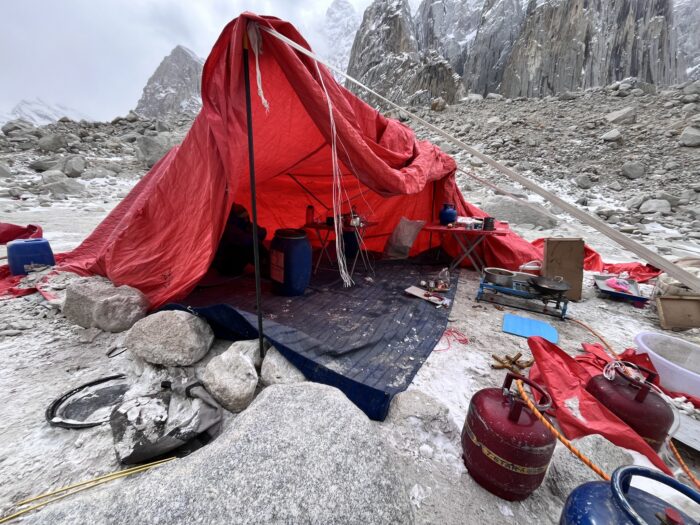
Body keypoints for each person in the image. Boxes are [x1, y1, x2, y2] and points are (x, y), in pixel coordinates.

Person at [211, 203, 267, 276]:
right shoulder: (228, 227)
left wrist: (250, 229)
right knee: (250, 246)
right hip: (225, 265)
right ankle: (265, 265)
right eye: (243, 217)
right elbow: (244, 239)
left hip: (233, 261)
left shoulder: (242, 225)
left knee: (253, 243)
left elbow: (263, 232)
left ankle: (266, 263)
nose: (246, 219)